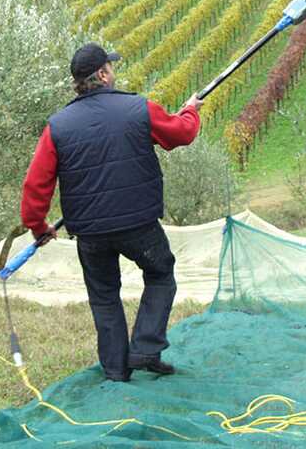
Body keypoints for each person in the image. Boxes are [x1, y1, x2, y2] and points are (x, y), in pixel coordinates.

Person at [21, 43, 202, 382]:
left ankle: (117, 371)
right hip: (139, 224)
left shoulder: (58, 126)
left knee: (104, 297)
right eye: (111, 67)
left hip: (90, 233)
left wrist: (38, 226)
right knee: (161, 273)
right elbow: (182, 134)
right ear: (103, 75)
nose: (113, 72)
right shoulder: (138, 108)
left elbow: (35, 185)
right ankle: (145, 348)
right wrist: (190, 110)